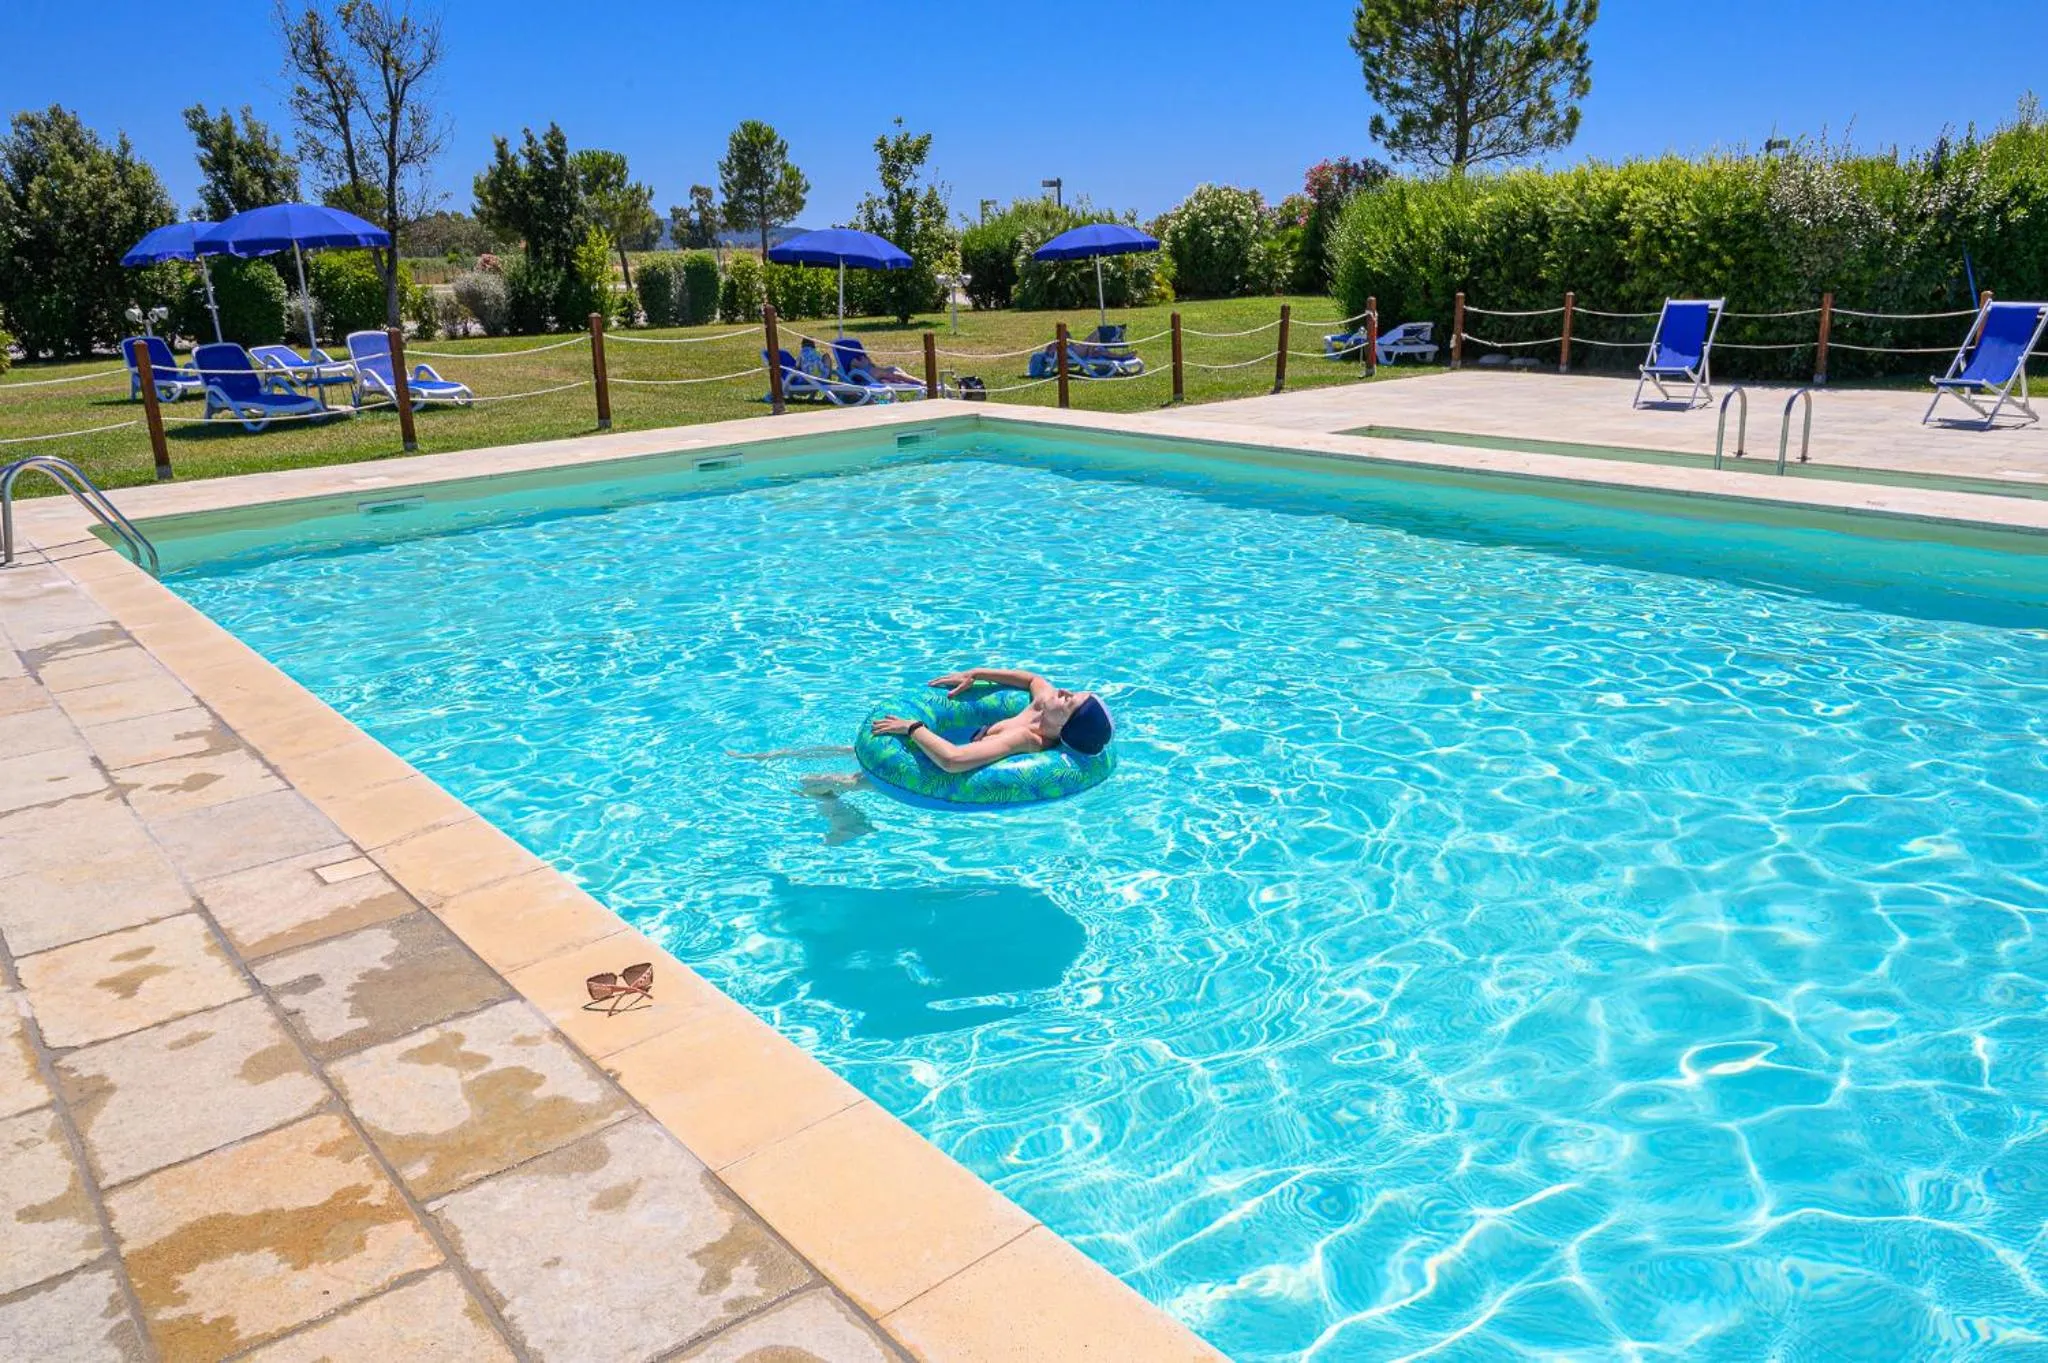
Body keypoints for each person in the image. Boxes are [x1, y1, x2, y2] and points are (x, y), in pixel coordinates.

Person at [871, 668, 1113, 774]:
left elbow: (953, 760)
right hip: (969, 740)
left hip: (940, 769)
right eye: (1073, 692)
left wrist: (913, 727)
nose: (1064, 692)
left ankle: (843, 816)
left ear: (1063, 727)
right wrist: (975, 674)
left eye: (1069, 701)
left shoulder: (1027, 739)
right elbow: (1032, 679)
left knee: (849, 782)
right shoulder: (1044, 705)